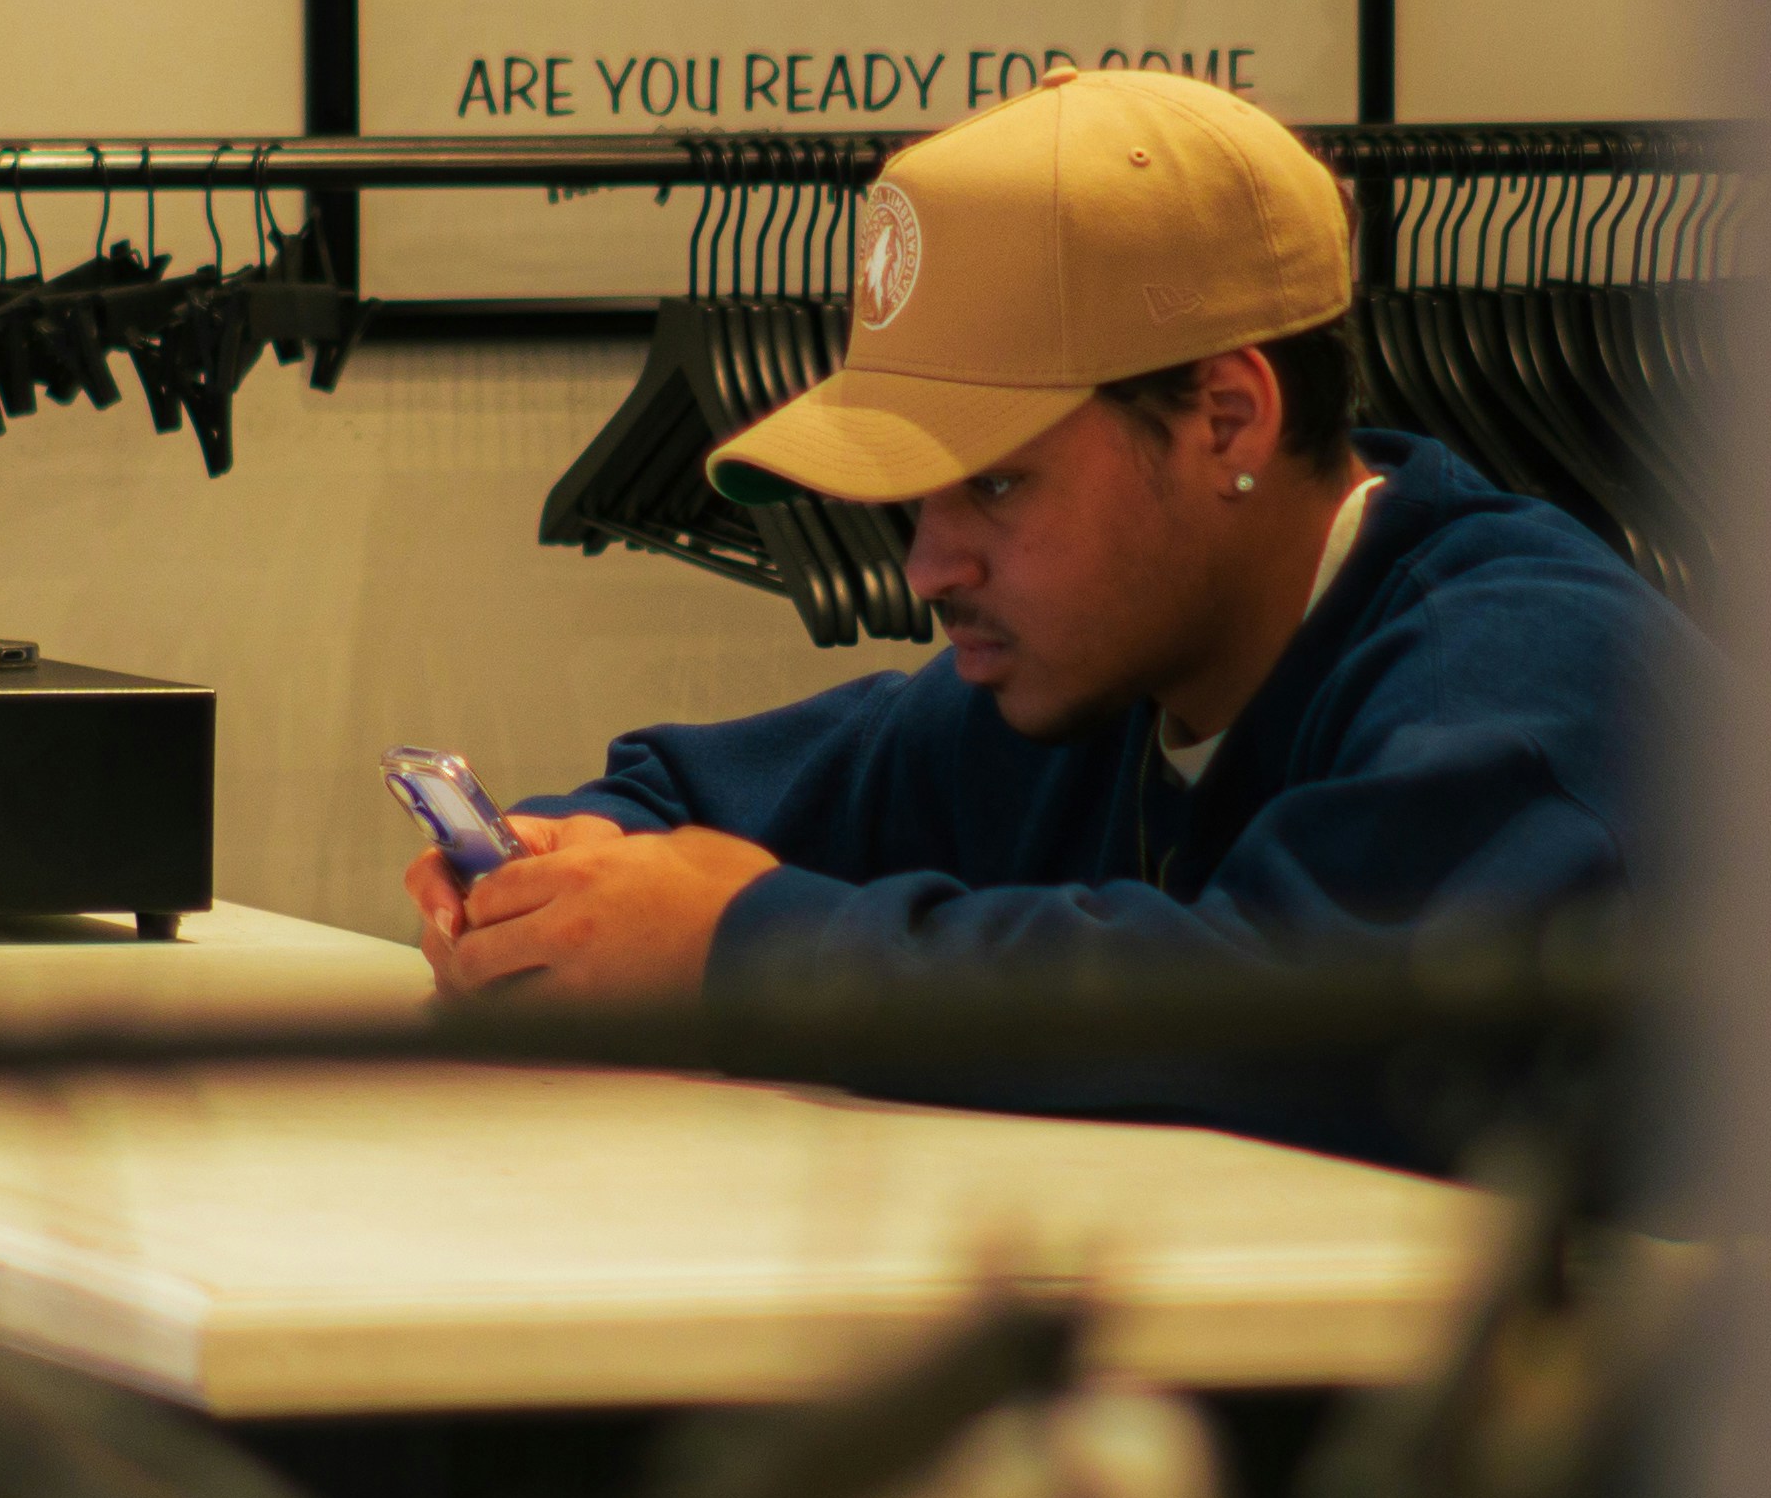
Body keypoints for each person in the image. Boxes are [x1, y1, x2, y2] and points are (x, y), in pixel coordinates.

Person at [405, 73, 1685, 1154]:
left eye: (998, 483)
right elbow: (685, 797)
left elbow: (1292, 1019)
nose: (929, 566)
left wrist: (741, 943)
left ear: (1227, 419)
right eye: (915, 500)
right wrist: (558, 885)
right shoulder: (1079, 678)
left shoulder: (1525, 678)